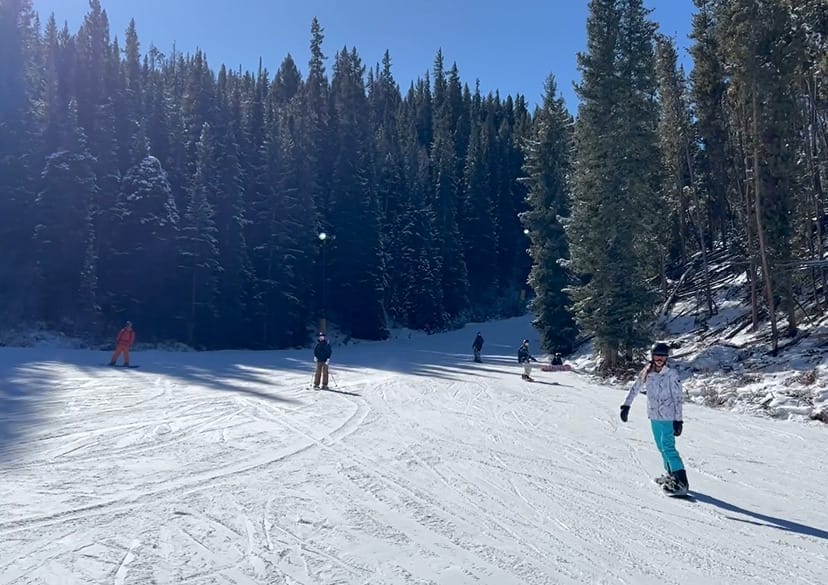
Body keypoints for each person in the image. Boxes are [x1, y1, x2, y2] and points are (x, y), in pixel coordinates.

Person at [619, 342, 688, 496]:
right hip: (654, 415)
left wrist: (679, 420)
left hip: (668, 416)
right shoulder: (647, 372)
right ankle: (671, 476)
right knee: (661, 447)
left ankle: (682, 481)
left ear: (667, 358)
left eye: (663, 356)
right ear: (652, 356)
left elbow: (677, 398)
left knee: (668, 447)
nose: (659, 359)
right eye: (657, 356)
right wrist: (626, 405)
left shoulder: (671, 374)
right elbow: (635, 388)